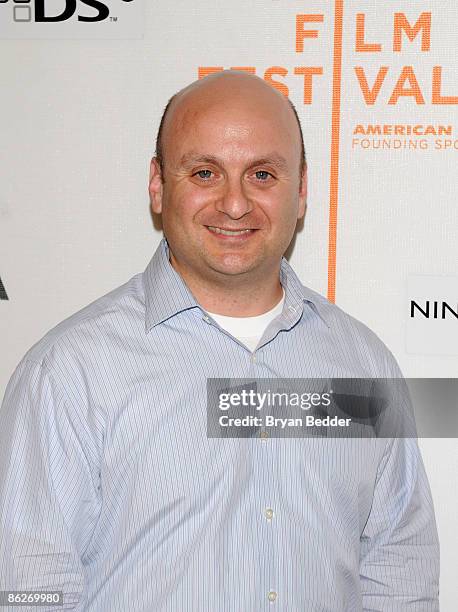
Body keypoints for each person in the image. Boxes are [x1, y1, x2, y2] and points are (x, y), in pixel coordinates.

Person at [0, 71, 439, 611]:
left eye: (262, 174)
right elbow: (28, 591)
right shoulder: (72, 371)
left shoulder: (362, 365)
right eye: (206, 172)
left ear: (300, 191)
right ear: (158, 186)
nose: (235, 204)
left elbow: (399, 572)